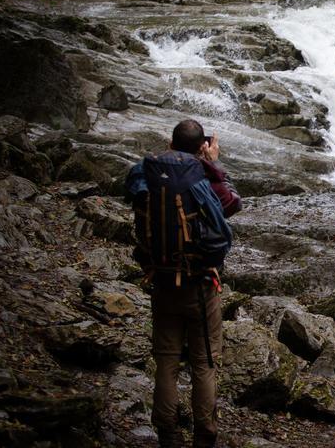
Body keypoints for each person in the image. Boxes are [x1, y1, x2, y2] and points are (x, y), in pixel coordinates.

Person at [125, 119, 241, 448]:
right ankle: (205, 433)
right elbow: (231, 204)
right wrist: (213, 163)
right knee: (204, 362)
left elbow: (132, 190)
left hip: (161, 279)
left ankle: (168, 434)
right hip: (200, 283)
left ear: (170, 143)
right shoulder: (202, 177)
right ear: (201, 146)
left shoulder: (145, 172)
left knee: (166, 360)